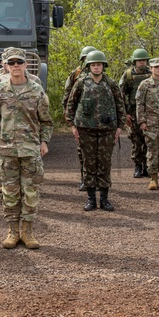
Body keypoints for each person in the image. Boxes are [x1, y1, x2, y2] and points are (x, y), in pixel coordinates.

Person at [0, 47, 52, 249]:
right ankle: (12, 231)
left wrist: (44, 141)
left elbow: (46, 121)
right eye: (12, 63)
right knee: (10, 192)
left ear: (25, 65)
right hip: (7, 149)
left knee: (31, 191)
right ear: (6, 66)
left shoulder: (36, 90)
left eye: (19, 63)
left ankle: (28, 231)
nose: (16, 66)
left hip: (31, 148)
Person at [65, 50, 125, 212]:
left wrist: (120, 127)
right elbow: (71, 104)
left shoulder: (111, 84)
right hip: (85, 130)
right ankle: (91, 199)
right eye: (93, 65)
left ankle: (104, 199)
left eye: (99, 65)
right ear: (88, 66)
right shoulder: (81, 83)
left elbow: (120, 105)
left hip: (107, 130)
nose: (96, 67)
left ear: (103, 66)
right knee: (89, 163)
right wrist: (72, 126)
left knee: (104, 164)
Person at [136, 57, 159, 190]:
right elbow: (139, 103)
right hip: (150, 124)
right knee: (152, 152)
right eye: (156, 67)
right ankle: (153, 179)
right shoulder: (144, 84)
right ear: (151, 68)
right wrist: (141, 121)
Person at [63, 46, 97, 191]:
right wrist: (68, 115)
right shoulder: (76, 74)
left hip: (98, 119)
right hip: (80, 118)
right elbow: (67, 95)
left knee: (98, 152)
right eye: (86, 59)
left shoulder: (101, 75)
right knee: (82, 150)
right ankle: (85, 179)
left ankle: (97, 179)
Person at [118, 49, 152, 178]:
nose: (141, 63)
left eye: (143, 60)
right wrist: (125, 114)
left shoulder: (151, 74)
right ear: (134, 61)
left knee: (149, 139)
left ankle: (147, 166)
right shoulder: (127, 75)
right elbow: (121, 95)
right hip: (133, 111)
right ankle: (138, 166)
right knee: (136, 140)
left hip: (149, 112)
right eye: (139, 60)